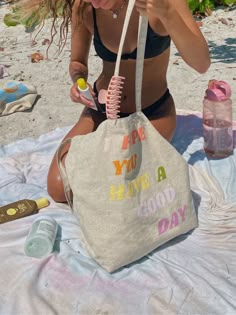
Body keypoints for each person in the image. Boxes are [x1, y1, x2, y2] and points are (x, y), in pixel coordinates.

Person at [24, 0, 210, 202]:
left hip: (152, 113)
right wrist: (79, 82)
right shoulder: (84, 6)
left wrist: (168, 15)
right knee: (60, 188)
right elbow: (77, 62)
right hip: (101, 110)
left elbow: (201, 63)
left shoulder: (163, 3)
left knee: (120, 182)